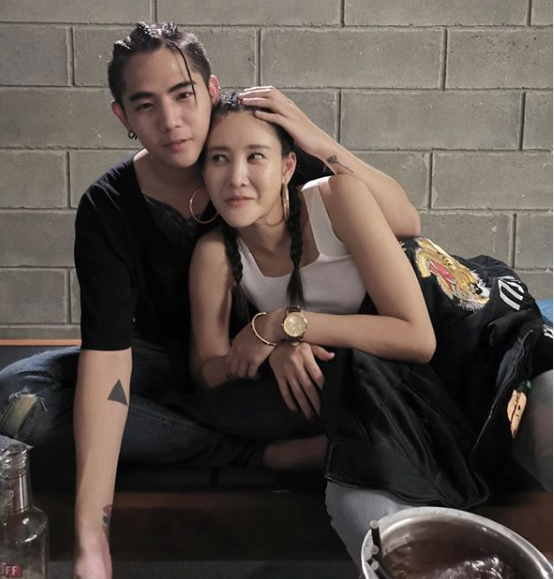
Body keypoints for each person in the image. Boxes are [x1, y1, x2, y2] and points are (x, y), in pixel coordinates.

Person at [0, 23, 421, 579]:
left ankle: (224, 439)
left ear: (211, 89)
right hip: (168, 361)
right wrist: (91, 543)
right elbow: (109, 355)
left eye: (183, 95)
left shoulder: (253, 150)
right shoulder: (110, 206)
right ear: (123, 117)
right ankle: (252, 453)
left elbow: (404, 221)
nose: (171, 121)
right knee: (19, 398)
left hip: (253, 362)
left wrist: (317, 139)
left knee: (63, 418)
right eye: (145, 105)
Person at [189, 92, 553, 571]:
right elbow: (208, 370)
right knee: (368, 521)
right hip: (390, 396)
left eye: (255, 156)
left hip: (477, 349)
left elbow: (417, 338)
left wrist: (285, 324)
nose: (236, 177)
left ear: (286, 166)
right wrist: (273, 346)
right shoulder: (216, 255)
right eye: (219, 158)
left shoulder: (335, 199)